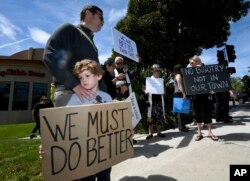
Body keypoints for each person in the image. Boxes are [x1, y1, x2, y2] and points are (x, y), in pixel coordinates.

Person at [43, 5, 104, 107]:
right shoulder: (69, 29)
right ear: (88, 13)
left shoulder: (94, 46)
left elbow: (97, 74)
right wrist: (74, 84)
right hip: (70, 94)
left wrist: (105, 95)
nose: (103, 22)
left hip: (93, 98)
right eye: (101, 17)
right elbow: (50, 55)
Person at [189, 55, 218, 141]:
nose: (190, 65)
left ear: (197, 61)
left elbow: (212, 79)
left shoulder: (205, 69)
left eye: (192, 63)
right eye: (190, 63)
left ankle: (210, 132)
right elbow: (188, 83)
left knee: (207, 112)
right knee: (197, 114)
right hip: (195, 95)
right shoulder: (190, 71)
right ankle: (199, 132)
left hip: (206, 95)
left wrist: (213, 89)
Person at [143, 64, 165, 140]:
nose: (158, 72)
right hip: (150, 100)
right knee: (150, 116)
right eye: (157, 70)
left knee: (158, 116)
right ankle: (150, 133)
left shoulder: (161, 80)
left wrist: (164, 91)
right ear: (152, 71)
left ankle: (159, 132)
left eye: (159, 70)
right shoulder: (148, 80)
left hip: (158, 100)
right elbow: (143, 88)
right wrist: (145, 91)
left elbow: (164, 89)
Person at [173, 64, 189, 132]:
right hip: (179, 93)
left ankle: (182, 125)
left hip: (177, 93)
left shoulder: (176, 75)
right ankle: (181, 127)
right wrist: (184, 94)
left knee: (181, 111)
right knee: (181, 111)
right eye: (181, 68)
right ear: (179, 69)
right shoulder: (179, 75)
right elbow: (180, 86)